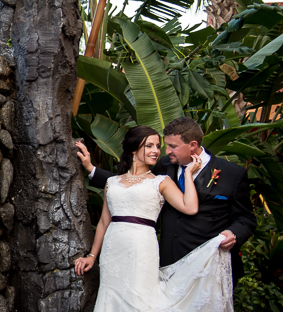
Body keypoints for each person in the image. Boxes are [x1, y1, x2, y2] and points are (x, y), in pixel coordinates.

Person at [75, 125, 239, 312]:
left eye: (159, 146)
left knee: (141, 308)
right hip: (114, 251)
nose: (157, 151)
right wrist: (91, 255)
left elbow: (190, 207)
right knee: (110, 307)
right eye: (150, 146)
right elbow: (102, 223)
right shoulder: (113, 182)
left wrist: (188, 176)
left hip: (142, 248)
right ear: (134, 148)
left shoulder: (162, 180)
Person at [76, 116, 257, 283]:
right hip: (168, 260)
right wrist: (91, 169)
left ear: (192, 145)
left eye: (172, 146)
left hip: (209, 261)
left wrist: (233, 234)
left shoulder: (232, 173)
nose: (165, 150)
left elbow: (246, 219)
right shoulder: (165, 164)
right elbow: (133, 184)